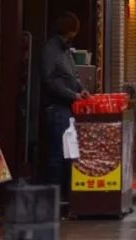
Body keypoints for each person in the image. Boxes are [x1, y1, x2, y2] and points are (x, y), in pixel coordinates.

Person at [41, 12, 90, 191]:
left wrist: (80, 89)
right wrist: (72, 94)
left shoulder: (65, 49)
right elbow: (49, 81)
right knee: (57, 153)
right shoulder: (51, 49)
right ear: (70, 30)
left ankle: (62, 194)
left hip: (67, 108)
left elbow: (72, 75)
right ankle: (53, 196)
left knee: (66, 153)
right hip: (56, 107)